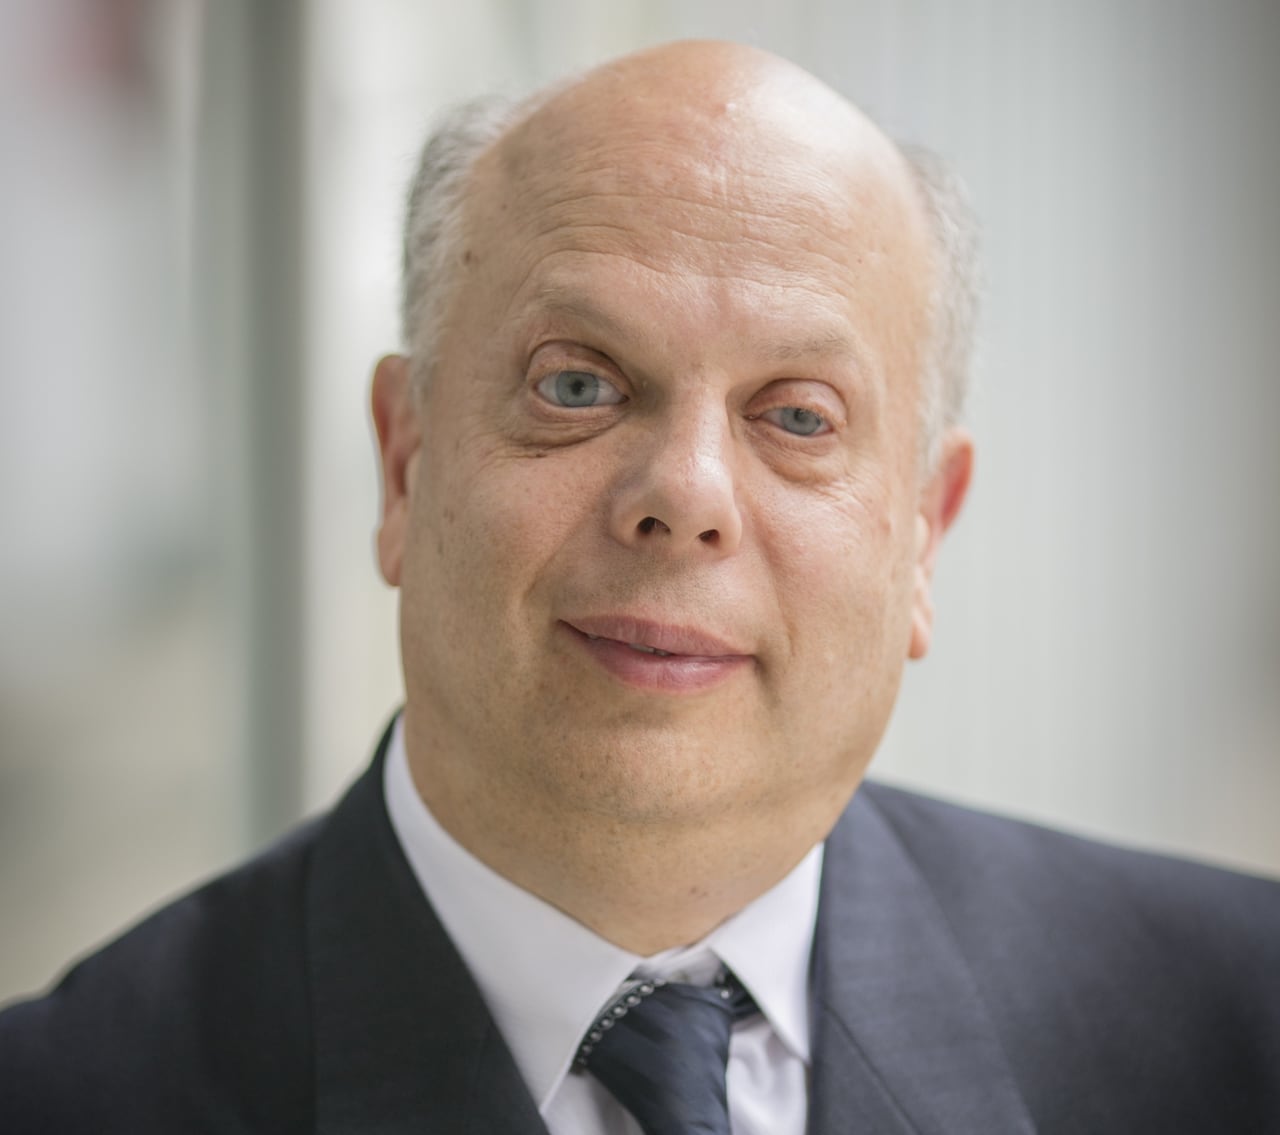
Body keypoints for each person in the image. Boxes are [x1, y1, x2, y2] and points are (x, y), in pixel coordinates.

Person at [2, 39, 1277, 1135]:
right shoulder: (64, 1095)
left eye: (795, 413)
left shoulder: (1239, 1025)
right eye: (576, 384)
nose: (684, 494)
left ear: (923, 540)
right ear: (404, 464)